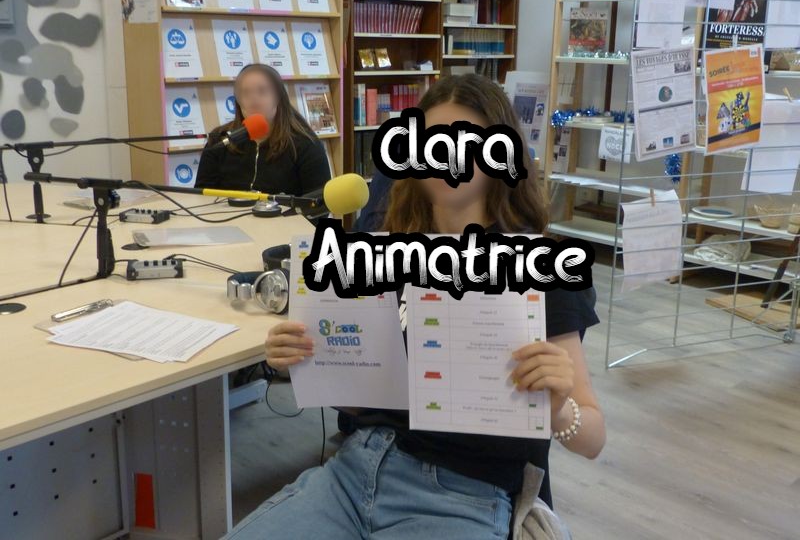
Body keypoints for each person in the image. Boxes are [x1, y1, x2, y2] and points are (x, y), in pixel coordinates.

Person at [226, 75, 605, 540]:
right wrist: (309, 363)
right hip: (355, 470)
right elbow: (364, 402)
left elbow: (593, 439)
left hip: (465, 494)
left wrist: (560, 409)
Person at [195, 64, 331, 196]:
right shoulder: (219, 141)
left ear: (278, 97)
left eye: (262, 91)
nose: (254, 100)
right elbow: (200, 198)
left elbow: (318, 204)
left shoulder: (306, 144)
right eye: (245, 93)